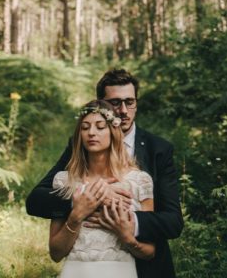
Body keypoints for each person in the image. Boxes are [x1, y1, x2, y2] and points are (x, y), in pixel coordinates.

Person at [26, 68, 183, 278]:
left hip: (144, 268)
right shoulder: (80, 145)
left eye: (130, 102)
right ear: (101, 103)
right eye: (116, 103)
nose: (124, 110)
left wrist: (127, 223)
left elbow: (173, 221)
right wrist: (86, 198)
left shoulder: (159, 149)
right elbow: (36, 200)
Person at [49, 99, 155, 277]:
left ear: (113, 131)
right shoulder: (63, 181)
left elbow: (150, 251)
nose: (91, 133)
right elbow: (56, 253)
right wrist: (76, 216)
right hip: (76, 271)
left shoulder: (139, 181)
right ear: (79, 134)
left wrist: (127, 237)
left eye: (100, 126)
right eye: (85, 127)